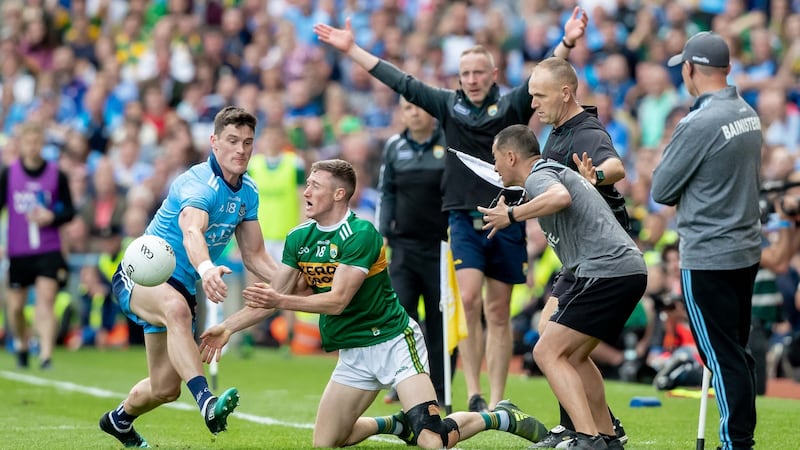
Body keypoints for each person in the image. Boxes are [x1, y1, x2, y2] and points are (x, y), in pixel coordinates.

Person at [314, 7, 588, 412]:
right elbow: (401, 82)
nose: (472, 79)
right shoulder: (447, 106)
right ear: (458, 78)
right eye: (466, 73)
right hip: (462, 217)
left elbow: (544, 76)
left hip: (507, 217)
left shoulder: (510, 106)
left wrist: (566, 42)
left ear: (493, 74)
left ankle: (497, 397)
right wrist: (352, 49)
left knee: (498, 311)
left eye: (479, 72)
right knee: (470, 301)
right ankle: (474, 391)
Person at [200, 159, 548, 449]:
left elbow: (337, 301)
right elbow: (270, 298)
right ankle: (396, 424)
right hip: (353, 353)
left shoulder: (362, 234)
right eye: (307, 185)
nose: (306, 192)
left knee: (433, 440)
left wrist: (281, 299)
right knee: (326, 442)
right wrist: (227, 327)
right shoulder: (299, 238)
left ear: (339, 194)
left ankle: (499, 416)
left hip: (393, 342)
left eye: (315, 186)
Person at [98, 106, 277, 448]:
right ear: (214, 142)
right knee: (176, 309)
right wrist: (206, 269)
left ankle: (119, 420)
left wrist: (298, 278)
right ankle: (207, 403)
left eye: (248, 142)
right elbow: (193, 230)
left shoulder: (248, 191)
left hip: (179, 286)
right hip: (142, 274)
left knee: (165, 388)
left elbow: (255, 256)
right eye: (232, 141)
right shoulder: (197, 183)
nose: (241, 150)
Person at [479, 124, 647, 450]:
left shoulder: (539, 176)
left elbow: (560, 197)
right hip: (624, 270)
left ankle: (586, 438)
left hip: (606, 271)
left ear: (511, 157)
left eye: (496, 158)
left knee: (546, 351)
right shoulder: (550, 172)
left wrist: (511, 215)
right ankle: (607, 437)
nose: (495, 167)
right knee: (574, 356)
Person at [651, 32, 762, 450]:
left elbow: (661, 189)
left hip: (708, 254)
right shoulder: (747, 112)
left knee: (721, 355)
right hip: (744, 249)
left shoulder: (698, 122)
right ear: (727, 68)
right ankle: (741, 438)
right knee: (736, 351)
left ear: (690, 69)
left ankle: (735, 443)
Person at [526, 57, 630, 447]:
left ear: (566, 93)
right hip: (579, 256)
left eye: (540, 95)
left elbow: (616, 167)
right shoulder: (555, 132)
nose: (533, 103)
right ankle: (600, 426)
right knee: (553, 338)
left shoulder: (585, 130)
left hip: (601, 257)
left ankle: (586, 431)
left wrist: (596, 175)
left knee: (554, 346)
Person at [376, 97, 449, 405]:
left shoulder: (448, 143)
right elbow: (386, 192)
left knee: (439, 320)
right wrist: (382, 234)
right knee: (403, 318)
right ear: (402, 113)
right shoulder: (394, 146)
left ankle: (440, 388)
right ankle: (403, 383)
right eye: (408, 108)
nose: (415, 112)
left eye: (420, 106)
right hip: (403, 247)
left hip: (441, 248)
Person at [0, 122, 75, 369]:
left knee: (46, 301)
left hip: (48, 247)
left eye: (36, 142)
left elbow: (69, 211)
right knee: (15, 307)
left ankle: (45, 355)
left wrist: (52, 216)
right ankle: (22, 343)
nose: (32, 147)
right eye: (28, 142)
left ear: (42, 144)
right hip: (18, 250)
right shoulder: (9, 174)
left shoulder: (56, 174)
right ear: (21, 145)